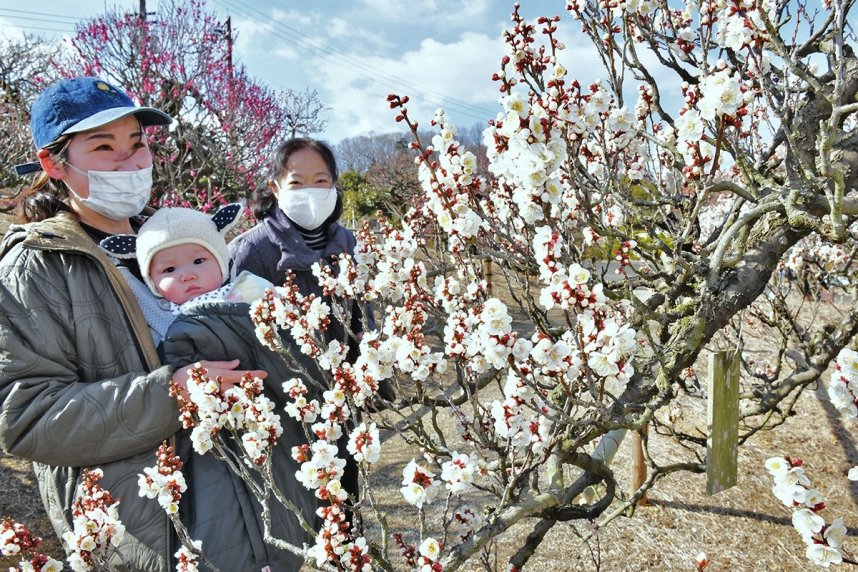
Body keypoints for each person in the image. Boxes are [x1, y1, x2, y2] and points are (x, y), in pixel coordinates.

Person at [0, 76, 265, 572]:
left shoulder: (174, 242)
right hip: (148, 535)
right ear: (54, 163)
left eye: (137, 144)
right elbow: (27, 416)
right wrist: (173, 393)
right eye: (104, 146)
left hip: (248, 513)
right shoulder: (38, 265)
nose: (131, 162)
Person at [102, 203, 322, 569]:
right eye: (169, 269)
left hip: (269, 423)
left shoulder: (250, 290)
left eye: (199, 261)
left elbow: (293, 333)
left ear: (221, 260)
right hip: (210, 446)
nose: (187, 275)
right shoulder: (157, 322)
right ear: (152, 281)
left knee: (283, 508)